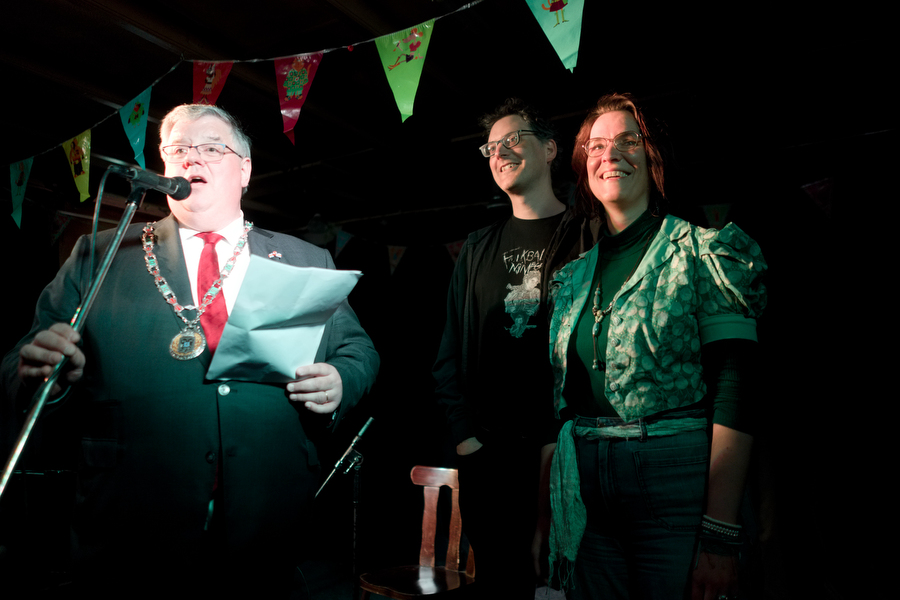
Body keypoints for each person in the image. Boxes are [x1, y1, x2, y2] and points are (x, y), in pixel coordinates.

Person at [1, 104, 379, 596]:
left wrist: (341, 379)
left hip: (268, 512)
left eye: (210, 147)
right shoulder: (101, 253)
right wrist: (39, 371)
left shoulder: (308, 257)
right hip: (132, 513)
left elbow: (357, 348)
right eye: (177, 149)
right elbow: (21, 361)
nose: (190, 158)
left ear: (244, 169)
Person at [546, 93, 766, 600]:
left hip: (673, 476)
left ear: (653, 156)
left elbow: (736, 387)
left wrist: (720, 532)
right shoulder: (573, 277)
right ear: (583, 166)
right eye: (597, 146)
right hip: (585, 488)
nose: (610, 154)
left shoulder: (702, 251)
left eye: (628, 140)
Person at [432, 99, 598, 598]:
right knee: (500, 585)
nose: (500, 152)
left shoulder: (588, 235)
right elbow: (448, 357)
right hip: (489, 456)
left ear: (550, 149)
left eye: (513, 139)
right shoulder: (477, 247)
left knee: (570, 582)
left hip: (567, 450)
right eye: (491, 147)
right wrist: (467, 441)